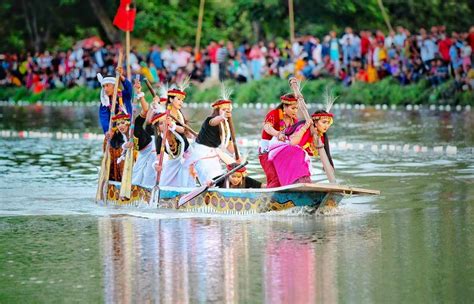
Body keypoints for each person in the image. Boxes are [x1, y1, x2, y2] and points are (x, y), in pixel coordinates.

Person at [267, 109, 335, 187]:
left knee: (303, 157)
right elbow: (293, 143)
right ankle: (298, 183)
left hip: (295, 155)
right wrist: (305, 127)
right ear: (315, 122)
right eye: (324, 122)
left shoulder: (321, 137)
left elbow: (325, 156)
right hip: (281, 149)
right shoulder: (303, 127)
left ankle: (304, 181)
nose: (326, 126)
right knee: (300, 153)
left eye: (328, 123)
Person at [190, 85, 237, 183]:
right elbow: (214, 121)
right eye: (223, 110)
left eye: (227, 110)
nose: (226, 112)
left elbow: (228, 144)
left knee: (222, 176)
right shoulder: (210, 120)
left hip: (214, 156)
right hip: (202, 157)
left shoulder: (226, 126)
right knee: (211, 179)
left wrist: (237, 155)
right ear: (217, 111)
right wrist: (222, 116)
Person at [258, 93, 299, 188]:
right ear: (285, 106)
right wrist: (278, 134)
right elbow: (267, 127)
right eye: (293, 108)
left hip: (283, 152)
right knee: (275, 179)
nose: (295, 111)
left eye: (297, 108)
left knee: (288, 178)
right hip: (266, 151)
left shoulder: (294, 120)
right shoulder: (274, 113)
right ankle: (269, 199)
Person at [97, 66, 133, 135]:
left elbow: (130, 89)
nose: (105, 89)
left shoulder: (124, 95)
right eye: (104, 86)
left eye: (107, 85)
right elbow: (103, 118)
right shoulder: (105, 103)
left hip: (128, 129)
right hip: (114, 132)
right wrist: (107, 131)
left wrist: (121, 77)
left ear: (114, 86)